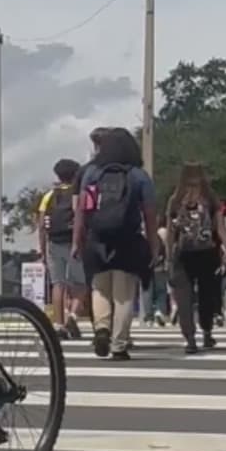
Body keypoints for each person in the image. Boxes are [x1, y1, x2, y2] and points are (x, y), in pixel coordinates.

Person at [72, 127, 159, 360]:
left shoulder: (92, 173)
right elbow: (150, 215)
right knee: (124, 295)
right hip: (128, 240)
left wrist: (77, 240)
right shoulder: (139, 176)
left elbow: (82, 210)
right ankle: (119, 345)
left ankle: (101, 328)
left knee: (100, 288)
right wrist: (154, 245)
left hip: (97, 238)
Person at [164, 162, 226, 354]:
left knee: (183, 298)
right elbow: (220, 228)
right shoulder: (210, 198)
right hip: (207, 254)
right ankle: (207, 331)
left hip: (183, 254)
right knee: (207, 295)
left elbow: (170, 232)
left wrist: (168, 257)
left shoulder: (175, 199)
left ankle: (189, 338)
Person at [38, 158, 86, 339]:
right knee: (81, 284)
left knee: (58, 284)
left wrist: (42, 250)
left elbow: (41, 225)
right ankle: (72, 316)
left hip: (54, 243)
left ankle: (59, 325)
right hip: (75, 243)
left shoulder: (49, 196)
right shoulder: (78, 194)